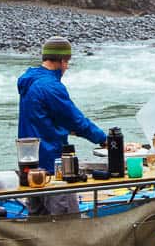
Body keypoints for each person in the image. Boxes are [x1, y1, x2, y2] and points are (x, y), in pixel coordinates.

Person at [17, 36, 107, 215]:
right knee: (67, 226)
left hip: (30, 166)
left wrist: (64, 128)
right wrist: (105, 140)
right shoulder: (51, 86)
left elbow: (44, 118)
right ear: (62, 61)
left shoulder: (29, 81)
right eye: (67, 62)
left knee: (38, 225)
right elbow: (76, 120)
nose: (67, 67)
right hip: (52, 167)